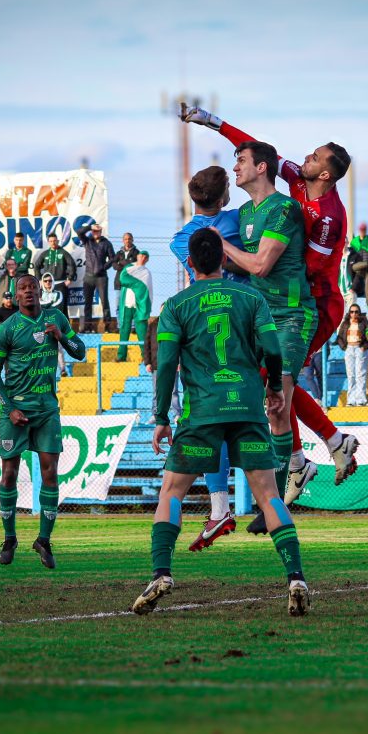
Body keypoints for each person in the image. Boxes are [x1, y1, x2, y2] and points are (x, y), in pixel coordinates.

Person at [181, 106, 360, 509]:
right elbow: (257, 149)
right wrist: (211, 121)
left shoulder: (327, 216)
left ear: (326, 174)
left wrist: (266, 268)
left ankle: (300, 464)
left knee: (277, 385)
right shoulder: (295, 180)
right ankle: (329, 443)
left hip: (314, 301)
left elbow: (308, 267)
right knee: (273, 383)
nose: (304, 159)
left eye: (314, 157)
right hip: (281, 303)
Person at [130, 227, 310, 617]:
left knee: (171, 494)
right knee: (270, 497)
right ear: (225, 260)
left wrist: (162, 417)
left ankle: (162, 572)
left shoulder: (177, 305)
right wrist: (276, 390)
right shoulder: (251, 297)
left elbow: (166, 366)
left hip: (202, 414)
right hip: (246, 409)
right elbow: (273, 348)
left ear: (190, 263)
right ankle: (295, 576)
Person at [170, 165, 248, 546]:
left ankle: (221, 507)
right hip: (246, 328)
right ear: (224, 196)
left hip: (203, 338)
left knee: (210, 427)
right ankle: (284, 480)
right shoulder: (241, 221)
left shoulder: (183, 238)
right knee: (267, 411)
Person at [0, 274, 87, 569]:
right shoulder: (7, 329)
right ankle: (9, 538)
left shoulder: (55, 317)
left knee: (51, 474)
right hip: (15, 413)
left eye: (32, 287)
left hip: (46, 411)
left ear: (39, 292)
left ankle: (43, 541)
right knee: (9, 474)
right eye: (23, 288)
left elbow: (80, 352)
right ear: (15, 295)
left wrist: (62, 337)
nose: (29, 291)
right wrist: (10, 407)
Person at [78, 223, 116, 332]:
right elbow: (79, 232)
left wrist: (104, 267)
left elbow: (112, 258)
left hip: (101, 277)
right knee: (88, 303)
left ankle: (108, 327)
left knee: (105, 302)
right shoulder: (87, 241)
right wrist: (90, 227)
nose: (96, 233)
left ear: (101, 231)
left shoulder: (107, 243)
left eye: (98, 231)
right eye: (94, 231)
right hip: (88, 277)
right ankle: (87, 327)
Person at [117, 249, 152, 363]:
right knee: (124, 330)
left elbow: (147, 290)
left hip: (139, 307)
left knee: (142, 332)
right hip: (127, 304)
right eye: (141, 256)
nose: (143, 258)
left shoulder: (146, 272)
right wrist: (136, 284)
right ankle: (121, 356)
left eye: (145, 257)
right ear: (138, 256)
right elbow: (122, 279)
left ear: (147, 260)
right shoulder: (129, 268)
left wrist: (135, 284)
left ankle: (145, 357)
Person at [32, 232, 76, 318]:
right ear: (48, 242)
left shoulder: (63, 252)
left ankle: (65, 329)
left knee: (62, 308)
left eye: (55, 241)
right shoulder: (45, 254)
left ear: (58, 241)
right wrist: (40, 280)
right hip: (48, 285)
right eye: (51, 241)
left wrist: (69, 279)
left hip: (60, 284)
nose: (53, 243)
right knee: (48, 307)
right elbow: (36, 266)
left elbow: (72, 265)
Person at [336, 305, 368, 406]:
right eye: (352, 312)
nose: (354, 314)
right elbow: (339, 337)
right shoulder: (345, 323)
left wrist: (365, 346)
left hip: (360, 349)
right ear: (349, 313)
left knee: (361, 374)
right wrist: (344, 347)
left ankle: (361, 400)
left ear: (359, 312)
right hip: (349, 349)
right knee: (351, 375)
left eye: (356, 312)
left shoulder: (365, 322)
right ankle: (351, 400)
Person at [39, 272, 68, 377]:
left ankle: (63, 369)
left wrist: (46, 304)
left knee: (58, 349)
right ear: (42, 282)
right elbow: (39, 308)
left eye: (50, 281)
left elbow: (58, 308)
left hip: (55, 326)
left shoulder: (59, 293)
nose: (48, 283)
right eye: (45, 281)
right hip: (42, 326)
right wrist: (50, 303)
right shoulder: (39, 294)